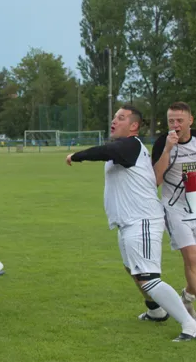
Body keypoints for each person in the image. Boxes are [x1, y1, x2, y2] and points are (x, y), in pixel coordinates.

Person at [67, 105, 196, 341]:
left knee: (148, 277)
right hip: (128, 222)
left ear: (134, 126)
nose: (114, 121)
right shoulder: (127, 148)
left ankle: (190, 324)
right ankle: (156, 310)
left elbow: (105, 150)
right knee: (133, 270)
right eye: (115, 117)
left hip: (142, 221)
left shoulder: (130, 145)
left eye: (121, 118)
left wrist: (76, 156)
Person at [151, 101, 196, 317]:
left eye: (179, 120)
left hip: (195, 207)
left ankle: (187, 297)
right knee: (192, 258)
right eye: (171, 121)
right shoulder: (162, 143)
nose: (175, 125)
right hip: (174, 209)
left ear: (190, 121)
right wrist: (168, 149)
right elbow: (156, 180)